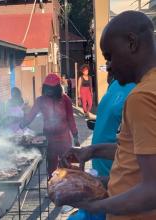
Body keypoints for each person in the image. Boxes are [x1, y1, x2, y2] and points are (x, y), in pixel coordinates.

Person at [60, 11, 156, 220]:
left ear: (132, 43)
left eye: (110, 57)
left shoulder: (142, 96)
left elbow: (152, 190)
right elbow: (136, 153)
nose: (109, 66)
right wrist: (91, 151)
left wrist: (96, 206)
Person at [68, 63, 136, 220]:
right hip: (103, 176)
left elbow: (144, 177)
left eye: (112, 56)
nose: (108, 66)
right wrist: (88, 152)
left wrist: (98, 201)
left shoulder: (141, 92)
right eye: (106, 59)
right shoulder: (115, 84)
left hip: (119, 182)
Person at [19, 73, 80, 178]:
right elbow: (30, 116)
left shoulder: (66, 100)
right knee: (51, 167)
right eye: (46, 88)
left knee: (67, 165)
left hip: (64, 138)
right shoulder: (40, 100)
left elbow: (71, 119)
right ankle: (52, 188)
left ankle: (68, 188)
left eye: (51, 88)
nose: (48, 90)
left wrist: (75, 136)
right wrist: (21, 125)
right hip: (49, 139)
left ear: (57, 88)